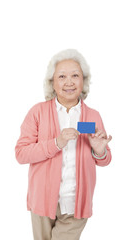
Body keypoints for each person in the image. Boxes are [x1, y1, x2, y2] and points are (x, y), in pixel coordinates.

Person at [15, 49, 112, 240]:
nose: (69, 82)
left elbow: (104, 159)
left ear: (84, 80)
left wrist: (99, 151)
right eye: (62, 76)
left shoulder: (93, 116)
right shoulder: (38, 112)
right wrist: (56, 143)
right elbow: (21, 153)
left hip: (76, 203)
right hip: (41, 202)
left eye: (75, 75)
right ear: (52, 82)